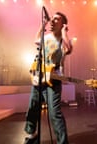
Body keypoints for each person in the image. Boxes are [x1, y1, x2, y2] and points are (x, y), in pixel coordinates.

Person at [24, 11, 72, 144]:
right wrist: (43, 24)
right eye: (53, 19)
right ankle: (32, 134)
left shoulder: (63, 39)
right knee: (32, 107)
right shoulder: (47, 37)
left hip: (53, 79)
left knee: (54, 113)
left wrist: (64, 32)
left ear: (63, 24)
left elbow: (69, 49)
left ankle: (62, 142)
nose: (54, 21)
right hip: (39, 77)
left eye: (57, 19)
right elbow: (36, 40)